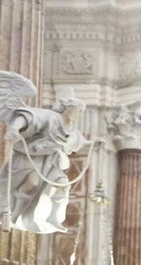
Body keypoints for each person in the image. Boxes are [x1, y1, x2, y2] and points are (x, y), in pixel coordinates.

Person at [0, 86, 87, 234]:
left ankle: (53, 217)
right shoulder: (50, 117)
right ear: (69, 108)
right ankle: (14, 214)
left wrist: (95, 144)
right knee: (32, 183)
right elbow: (28, 117)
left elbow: (79, 141)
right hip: (29, 160)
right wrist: (15, 128)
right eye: (78, 110)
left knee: (63, 184)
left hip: (49, 164)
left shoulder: (71, 128)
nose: (79, 114)